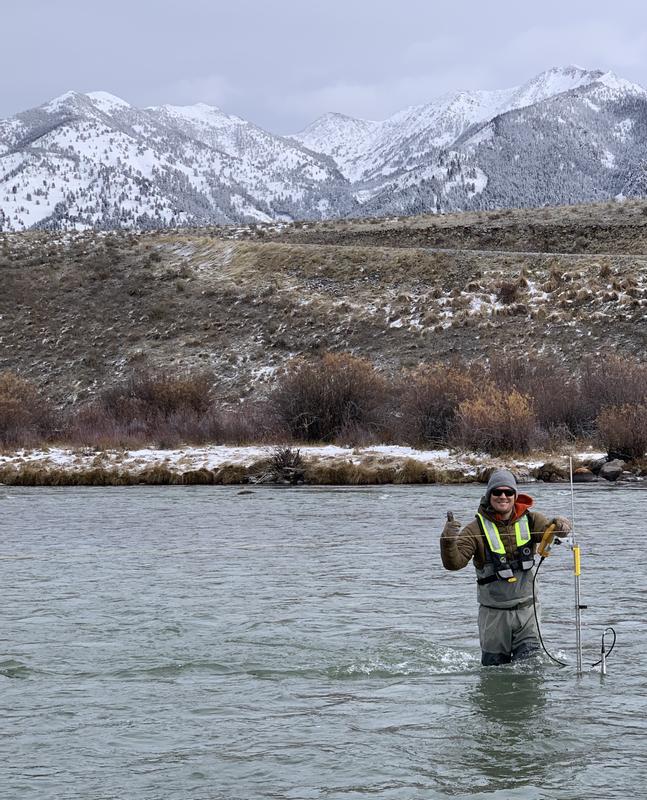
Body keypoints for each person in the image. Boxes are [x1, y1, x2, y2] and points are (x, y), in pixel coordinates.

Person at [440, 469, 571, 666]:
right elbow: (454, 564)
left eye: (508, 492)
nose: (503, 496)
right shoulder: (474, 529)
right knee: (495, 673)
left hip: (528, 613)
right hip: (494, 616)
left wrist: (560, 525)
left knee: (531, 668)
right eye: (497, 492)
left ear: (515, 496)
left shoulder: (531, 519)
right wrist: (448, 541)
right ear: (489, 495)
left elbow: (550, 531)